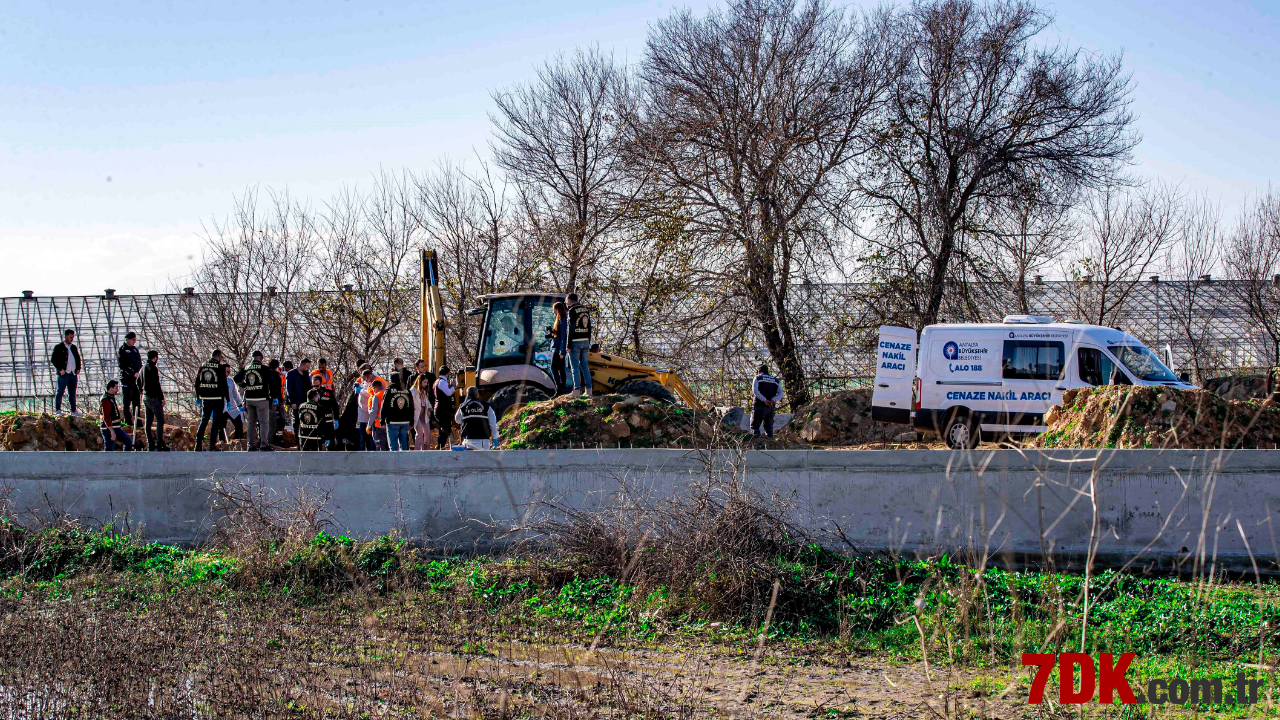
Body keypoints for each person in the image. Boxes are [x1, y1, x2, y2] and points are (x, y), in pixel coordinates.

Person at [235, 351, 273, 451]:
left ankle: (250, 445)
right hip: (261, 399)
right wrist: (274, 397)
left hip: (249, 399)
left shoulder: (246, 368)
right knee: (263, 422)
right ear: (261, 358)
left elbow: (236, 378)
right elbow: (271, 383)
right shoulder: (264, 368)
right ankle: (263, 444)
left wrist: (246, 385)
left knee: (251, 423)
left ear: (252, 358)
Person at [194, 350, 229, 451]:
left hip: (206, 398)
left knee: (204, 420)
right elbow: (224, 385)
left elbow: (197, 382)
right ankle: (212, 444)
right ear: (219, 356)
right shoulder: (220, 367)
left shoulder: (203, 366)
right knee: (216, 422)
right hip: (217, 398)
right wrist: (228, 399)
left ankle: (198, 443)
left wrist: (198, 396)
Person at [566, 293, 593, 397]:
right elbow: (589, 327)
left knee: (575, 367)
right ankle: (588, 390)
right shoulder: (585, 310)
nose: (565, 303)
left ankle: (576, 391)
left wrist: (568, 345)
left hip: (575, 341)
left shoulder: (572, 310)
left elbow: (570, 328)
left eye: (566, 300)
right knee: (585, 366)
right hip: (585, 340)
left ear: (570, 300)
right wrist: (588, 342)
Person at [51, 328, 83, 415]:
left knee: (72, 393)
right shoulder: (58, 347)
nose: (71, 339)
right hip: (64, 374)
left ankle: (73, 410)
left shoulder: (73, 347)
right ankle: (58, 409)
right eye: (70, 337)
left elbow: (77, 358)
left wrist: (78, 368)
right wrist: (60, 369)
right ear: (65, 336)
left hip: (72, 374)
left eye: (72, 337)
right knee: (60, 392)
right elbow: (53, 359)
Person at [142, 349, 169, 451]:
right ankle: (159, 443)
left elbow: (138, 382)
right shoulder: (153, 368)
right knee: (160, 420)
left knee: (148, 422)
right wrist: (161, 397)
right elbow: (157, 384)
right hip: (154, 398)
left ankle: (150, 444)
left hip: (146, 397)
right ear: (155, 358)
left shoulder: (143, 368)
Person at [117, 331, 143, 428]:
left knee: (136, 401)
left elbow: (139, 362)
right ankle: (128, 421)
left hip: (136, 379)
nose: (134, 342)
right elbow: (123, 366)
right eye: (133, 340)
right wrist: (133, 373)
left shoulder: (135, 350)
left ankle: (138, 421)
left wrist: (139, 372)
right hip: (127, 379)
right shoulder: (122, 350)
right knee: (127, 400)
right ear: (127, 339)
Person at [381, 376, 414, 451]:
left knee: (393, 446)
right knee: (404, 445)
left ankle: (394, 462)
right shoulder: (407, 391)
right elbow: (411, 408)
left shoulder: (389, 391)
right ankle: (405, 461)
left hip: (392, 421)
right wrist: (411, 422)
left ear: (391, 381)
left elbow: (384, 406)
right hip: (405, 421)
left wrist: (382, 419)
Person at [99, 380, 133, 451]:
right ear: (111, 388)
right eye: (116, 388)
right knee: (109, 448)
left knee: (128, 441)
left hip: (116, 427)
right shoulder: (105, 399)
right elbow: (106, 417)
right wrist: (111, 431)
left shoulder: (111, 397)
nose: (117, 390)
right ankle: (107, 461)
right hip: (109, 429)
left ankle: (126, 459)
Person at [750, 364, 784, 438]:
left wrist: (764, 400)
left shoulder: (757, 377)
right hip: (771, 407)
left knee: (755, 427)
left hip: (759, 406)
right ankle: (770, 445)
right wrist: (773, 400)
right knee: (769, 428)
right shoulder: (775, 380)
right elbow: (781, 393)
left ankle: (757, 446)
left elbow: (755, 390)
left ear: (759, 371)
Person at [310, 373, 339, 450]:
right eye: (313, 386)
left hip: (327, 422)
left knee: (330, 444)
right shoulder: (310, 393)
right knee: (317, 444)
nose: (315, 388)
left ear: (321, 384)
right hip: (317, 422)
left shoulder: (328, 393)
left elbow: (335, 407)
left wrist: (336, 419)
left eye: (317, 386)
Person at [549, 301, 569, 395]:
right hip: (558, 347)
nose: (553, 312)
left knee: (553, 367)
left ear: (557, 309)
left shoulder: (563, 320)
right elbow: (559, 334)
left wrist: (562, 350)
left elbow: (564, 336)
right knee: (561, 368)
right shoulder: (559, 320)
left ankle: (559, 389)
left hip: (559, 349)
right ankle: (563, 389)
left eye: (554, 310)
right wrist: (552, 332)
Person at [434, 366, 456, 449]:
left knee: (443, 428)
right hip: (442, 409)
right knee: (446, 428)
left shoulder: (437, 381)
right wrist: (453, 386)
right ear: (447, 373)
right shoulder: (442, 382)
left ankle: (440, 445)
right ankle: (441, 445)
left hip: (439, 408)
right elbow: (448, 393)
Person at [411, 370, 434, 450]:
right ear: (419, 382)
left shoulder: (424, 392)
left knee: (427, 433)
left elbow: (427, 402)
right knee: (419, 432)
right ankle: (418, 449)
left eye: (426, 382)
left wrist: (430, 409)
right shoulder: (413, 391)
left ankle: (426, 449)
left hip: (424, 414)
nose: (426, 384)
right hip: (416, 414)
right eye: (424, 382)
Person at [287, 358, 312, 430]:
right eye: (307, 367)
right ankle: (296, 438)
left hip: (306, 401)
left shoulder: (306, 373)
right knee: (297, 420)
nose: (308, 369)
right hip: (297, 401)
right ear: (302, 365)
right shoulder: (291, 373)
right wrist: (292, 402)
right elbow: (289, 389)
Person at [224, 364, 245, 443]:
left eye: (229, 371)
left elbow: (235, 394)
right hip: (221, 407)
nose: (228, 373)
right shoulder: (217, 381)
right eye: (227, 371)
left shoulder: (230, 380)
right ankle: (222, 443)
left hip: (232, 407)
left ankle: (238, 441)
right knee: (221, 427)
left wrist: (239, 405)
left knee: (238, 423)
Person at [366, 378, 388, 451]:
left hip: (379, 425)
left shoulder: (377, 396)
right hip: (389, 425)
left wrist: (369, 425)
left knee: (380, 447)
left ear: (375, 387)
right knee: (389, 447)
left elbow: (373, 411)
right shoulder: (388, 394)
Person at [269, 359, 287, 440]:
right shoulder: (276, 375)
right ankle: (278, 437)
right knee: (279, 419)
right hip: (274, 401)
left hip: (265, 400)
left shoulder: (264, 373)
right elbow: (278, 389)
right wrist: (280, 400)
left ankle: (267, 437)